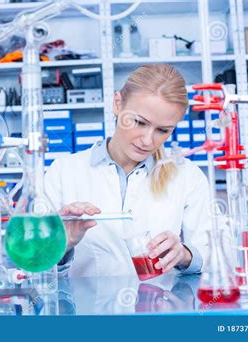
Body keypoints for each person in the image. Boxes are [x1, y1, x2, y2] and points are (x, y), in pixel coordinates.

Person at [45, 64, 216, 278]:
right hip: (86, 309)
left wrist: (185, 255)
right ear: (117, 104)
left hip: (161, 308)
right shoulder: (63, 172)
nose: (147, 140)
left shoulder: (188, 176)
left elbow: (217, 253)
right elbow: (32, 268)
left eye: (162, 130)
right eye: (139, 122)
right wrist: (62, 246)